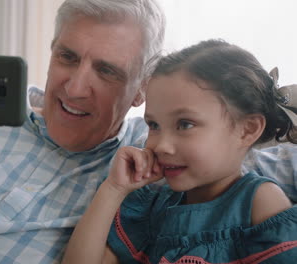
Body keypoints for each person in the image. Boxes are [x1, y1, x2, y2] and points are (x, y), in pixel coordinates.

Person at [0, 0, 295, 262]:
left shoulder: (156, 163)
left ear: (141, 89)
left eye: (108, 71)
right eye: (67, 57)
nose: (74, 87)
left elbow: (247, 153)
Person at [62, 39, 297, 264]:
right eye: (154, 125)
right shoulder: (153, 205)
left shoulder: (259, 202)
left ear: (247, 130)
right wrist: (113, 189)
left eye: (185, 124)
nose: (161, 145)